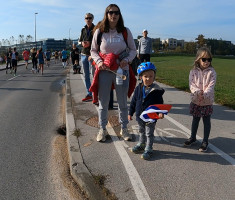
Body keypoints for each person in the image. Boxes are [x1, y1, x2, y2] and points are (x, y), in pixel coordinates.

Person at [90, 4, 137, 142]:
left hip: (122, 71)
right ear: (107, 14)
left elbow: (133, 50)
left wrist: (127, 60)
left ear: (119, 15)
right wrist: (99, 62)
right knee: (103, 102)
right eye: (110, 12)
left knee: (122, 102)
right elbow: (93, 50)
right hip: (105, 70)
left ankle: (124, 129)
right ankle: (102, 129)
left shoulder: (125, 31)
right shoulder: (99, 31)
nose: (113, 15)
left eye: (116, 12)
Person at [128, 62, 165, 160]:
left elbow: (160, 104)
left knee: (149, 133)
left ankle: (149, 148)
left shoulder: (156, 91)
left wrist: (160, 112)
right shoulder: (138, 89)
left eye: (151, 76)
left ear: (154, 77)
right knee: (141, 131)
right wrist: (130, 112)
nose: (148, 78)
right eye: (145, 76)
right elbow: (133, 101)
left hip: (151, 117)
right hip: (140, 116)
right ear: (141, 77)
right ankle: (141, 144)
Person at [184, 47, 217, 152]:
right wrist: (198, 92)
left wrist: (205, 93)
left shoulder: (212, 72)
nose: (207, 62)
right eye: (204, 59)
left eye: (209, 59)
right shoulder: (193, 71)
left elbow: (211, 85)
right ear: (198, 59)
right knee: (195, 119)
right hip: (196, 99)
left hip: (207, 100)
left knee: (206, 121)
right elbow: (191, 84)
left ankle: (205, 141)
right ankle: (193, 137)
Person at [79, 13, 95, 102]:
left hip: (92, 54)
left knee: (93, 74)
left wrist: (89, 43)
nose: (88, 19)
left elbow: (98, 41)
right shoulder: (83, 29)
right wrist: (82, 43)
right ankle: (89, 93)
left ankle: (95, 93)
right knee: (86, 75)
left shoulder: (96, 29)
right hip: (83, 54)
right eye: (86, 18)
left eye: (89, 18)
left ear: (92, 19)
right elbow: (80, 39)